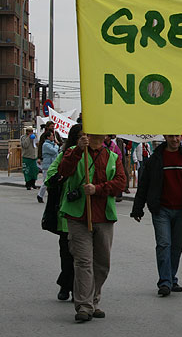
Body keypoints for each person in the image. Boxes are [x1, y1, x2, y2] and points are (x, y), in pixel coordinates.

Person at [58, 132, 127, 322]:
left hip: (104, 216)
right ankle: (84, 305)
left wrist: (98, 189)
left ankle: (94, 300)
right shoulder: (74, 151)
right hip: (78, 217)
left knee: (102, 263)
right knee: (83, 261)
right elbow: (64, 171)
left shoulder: (112, 156)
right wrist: (78, 151)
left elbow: (121, 182)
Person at [131, 135, 182, 297]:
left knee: (176, 246)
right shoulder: (155, 159)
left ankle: (171, 277)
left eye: (177, 136)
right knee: (163, 244)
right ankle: (165, 282)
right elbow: (144, 185)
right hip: (161, 210)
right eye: (171, 136)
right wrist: (137, 208)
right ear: (165, 137)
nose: (175, 139)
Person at [42, 123, 84, 301]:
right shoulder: (64, 155)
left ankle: (76, 288)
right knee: (67, 254)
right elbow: (51, 177)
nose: (84, 140)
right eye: (80, 137)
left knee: (82, 257)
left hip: (86, 214)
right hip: (66, 215)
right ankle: (66, 285)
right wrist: (62, 175)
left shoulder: (94, 157)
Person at [37, 129, 59, 203]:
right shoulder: (46, 145)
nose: (53, 137)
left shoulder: (52, 144)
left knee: (52, 181)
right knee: (46, 181)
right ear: (48, 137)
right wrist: (56, 145)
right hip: (47, 165)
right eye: (52, 136)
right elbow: (54, 151)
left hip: (53, 164)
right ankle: (40, 195)